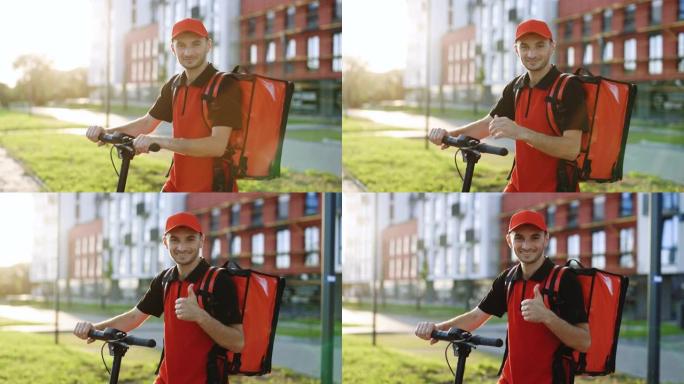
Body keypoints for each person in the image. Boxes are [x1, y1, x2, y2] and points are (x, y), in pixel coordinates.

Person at [414, 210, 590, 383]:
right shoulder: (508, 278)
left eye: (535, 237)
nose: (527, 246)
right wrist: (437, 329)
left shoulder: (565, 279)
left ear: (546, 239)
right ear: (509, 241)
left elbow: (584, 342)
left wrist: (547, 316)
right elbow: (476, 316)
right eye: (519, 237)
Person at [74, 212, 244, 384]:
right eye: (175, 239)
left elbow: (237, 342)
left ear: (202, 240)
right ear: (165, 242)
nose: (182, 247)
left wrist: (200, 316)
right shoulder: (164, 279)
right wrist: (93, 329)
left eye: (190, 239)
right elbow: (133, 317)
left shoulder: (220, 281)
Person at [428, 19, 588, 192]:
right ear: (516, 50)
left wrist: (521, 132)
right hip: (517, 187)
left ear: (552, 46)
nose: (532, 54)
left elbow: (571, 149)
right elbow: (487, 125)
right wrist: (450, 134)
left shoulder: (569, 87)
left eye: (540, 45)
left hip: (556, 189)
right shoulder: (516, 87)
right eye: (525, 47)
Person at [85, 18, 242, 192]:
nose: (188, 52)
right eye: (181, 45)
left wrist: (159, 141)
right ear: (172, 49)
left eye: (196, 44)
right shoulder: (174, 84)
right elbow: (146, 123)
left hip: (213, 188)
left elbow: (216, 146)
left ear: (208, 45)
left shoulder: (225, 85)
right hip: (176, 184)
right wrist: (107, 132)